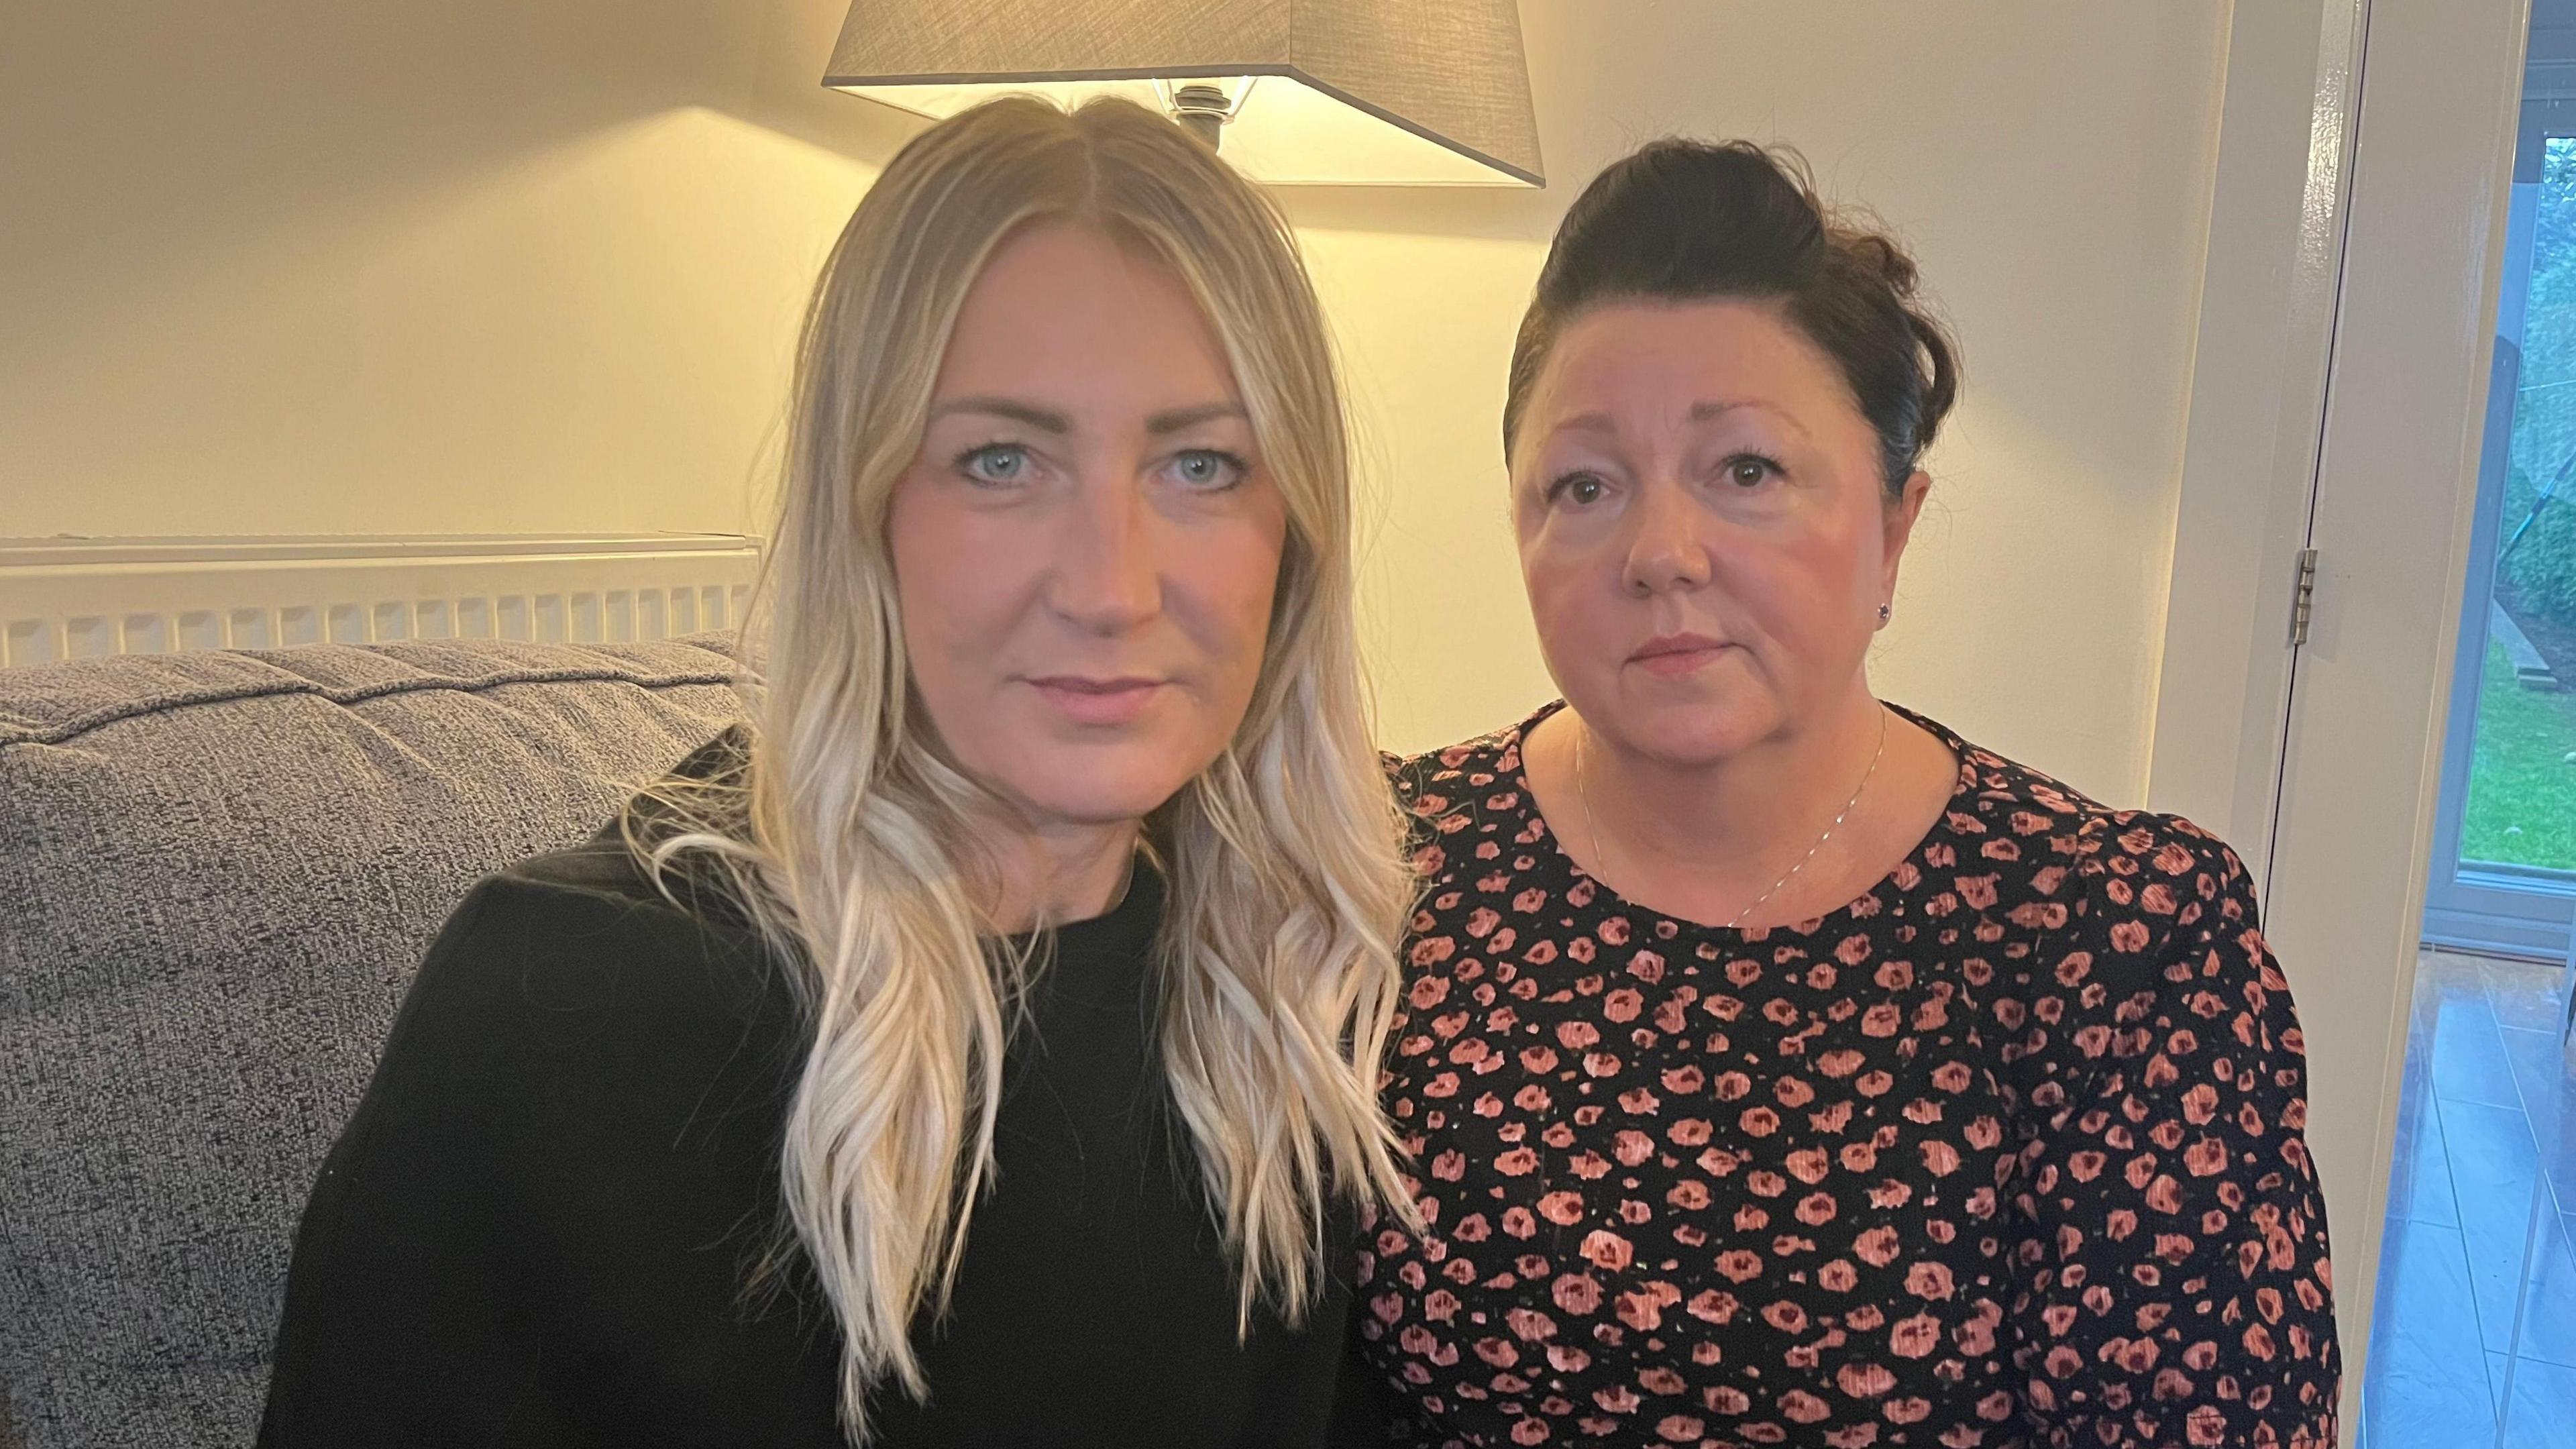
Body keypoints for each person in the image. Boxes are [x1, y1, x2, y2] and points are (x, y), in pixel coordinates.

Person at [257, 95, 1416, 1448]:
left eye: (1203, 464)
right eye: (1001, 460)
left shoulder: (1280, 988)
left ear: (1296, 540)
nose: (1113, 584)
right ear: (864, 511)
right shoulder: (575, 997)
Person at [1348, 140, 2341, 1448]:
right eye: (1583, 485)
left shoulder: (2117, 940)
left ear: (1895, 525)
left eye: (1745, 470)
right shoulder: (1368, 866)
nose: (1660, 553)